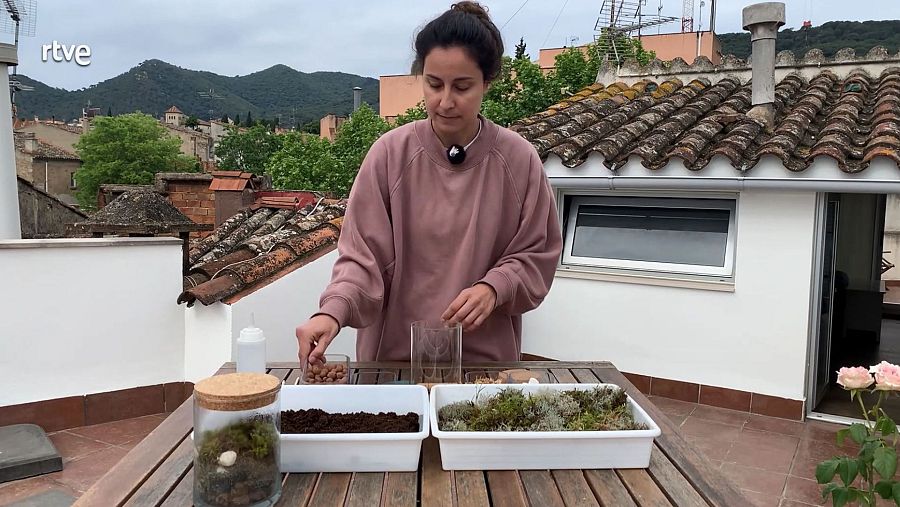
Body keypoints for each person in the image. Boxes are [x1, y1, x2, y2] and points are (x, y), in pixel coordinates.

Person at [295, 1, 562, 366]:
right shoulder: (389, 155)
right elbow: (362, 258)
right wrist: (332, 312)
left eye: (462, 87)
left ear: (487, 82)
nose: (445, 101)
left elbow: (538, 253)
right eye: (434, 84)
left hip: (485, 369)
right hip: (393, 365)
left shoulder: (518, 160)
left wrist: (494, 287)